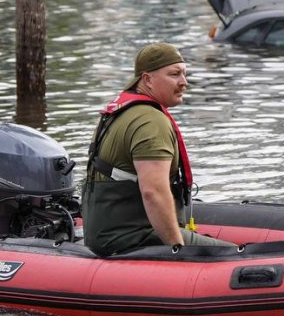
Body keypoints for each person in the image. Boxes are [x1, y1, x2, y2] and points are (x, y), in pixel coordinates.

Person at [81, 42, 235, 256]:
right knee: (237, 256)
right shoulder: (150, 122)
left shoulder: (122, 111)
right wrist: (178, 249)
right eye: (174, 74)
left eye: (184, 74)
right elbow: (153, 192)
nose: (184, 83)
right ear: (147, 80)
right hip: (133, 236)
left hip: (107, 233)